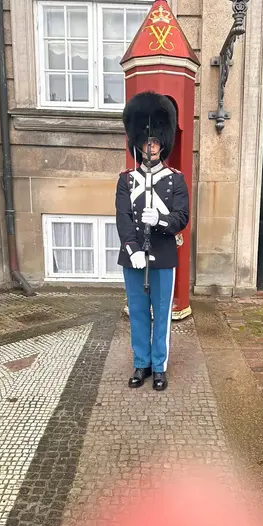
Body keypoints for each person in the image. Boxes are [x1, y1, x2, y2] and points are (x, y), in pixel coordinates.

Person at [116, 91, 189, 391]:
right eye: (147, 141)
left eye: (157, 141)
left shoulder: (175, 179)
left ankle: (159, 366)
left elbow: (182, 217)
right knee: (137, 313)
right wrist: (132, 249)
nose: (152, 146)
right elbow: (122, 217)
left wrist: (160, 219)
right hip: (134, 258)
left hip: (163, 255)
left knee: (161, 315)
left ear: (163, 143)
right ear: (138, 143)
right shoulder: (126, 180)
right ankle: (141, 363)